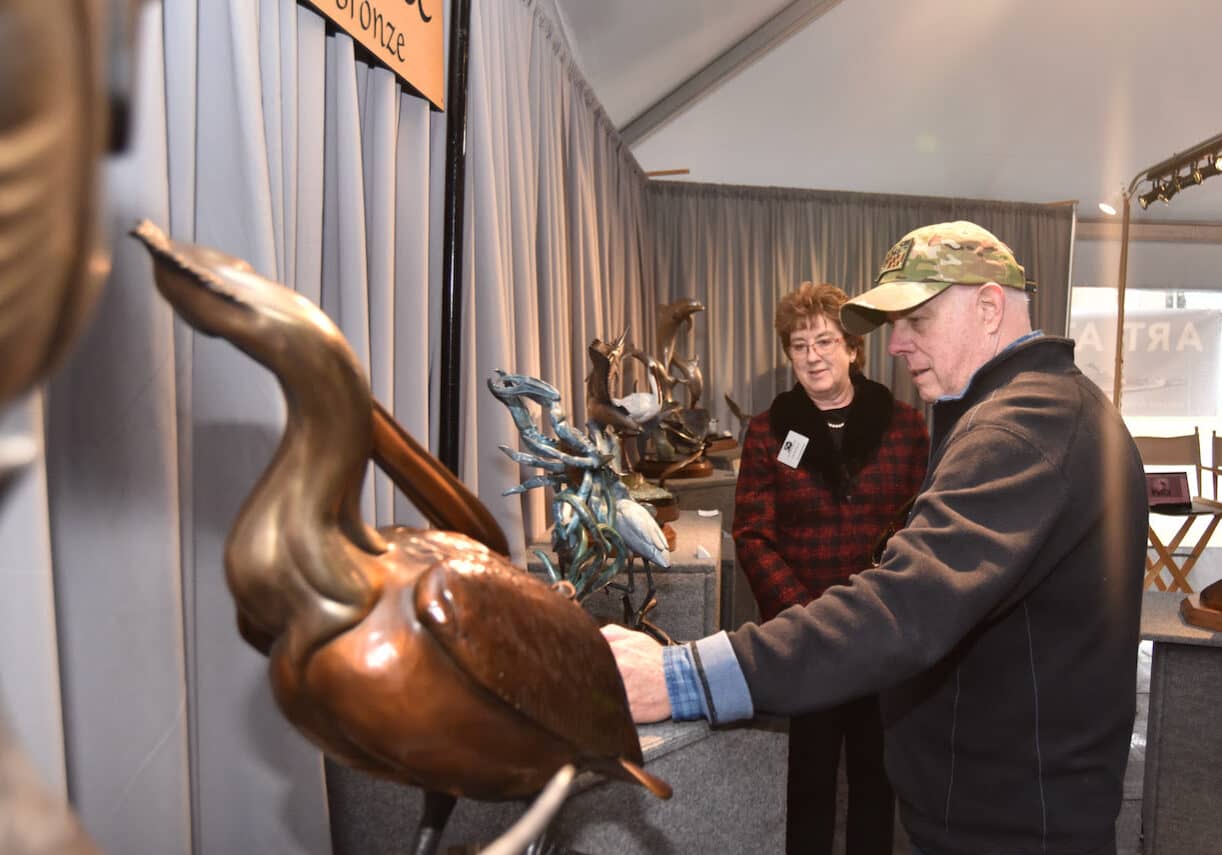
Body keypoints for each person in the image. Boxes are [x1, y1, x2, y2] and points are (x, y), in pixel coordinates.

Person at [603, 221, 1148, 855]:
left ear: (990, 306)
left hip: (1018, 828)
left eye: (917, 320)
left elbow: (906, 605)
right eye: (893, 325)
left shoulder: (1025, 427)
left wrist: (680, 676)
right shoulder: (1015, 413)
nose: (897, 344)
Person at [733, 282, 928, 854]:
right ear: (789, 356)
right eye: (799, 345)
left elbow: (923, 529)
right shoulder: (769, 430)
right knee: (807, 781)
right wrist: (803, 614)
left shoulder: (906, 428)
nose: (813, 356)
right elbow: (752, 533)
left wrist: (887, 606)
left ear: (852, 349)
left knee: (877, 779)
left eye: (825, 341)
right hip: (806, 636)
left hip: (881, 633)